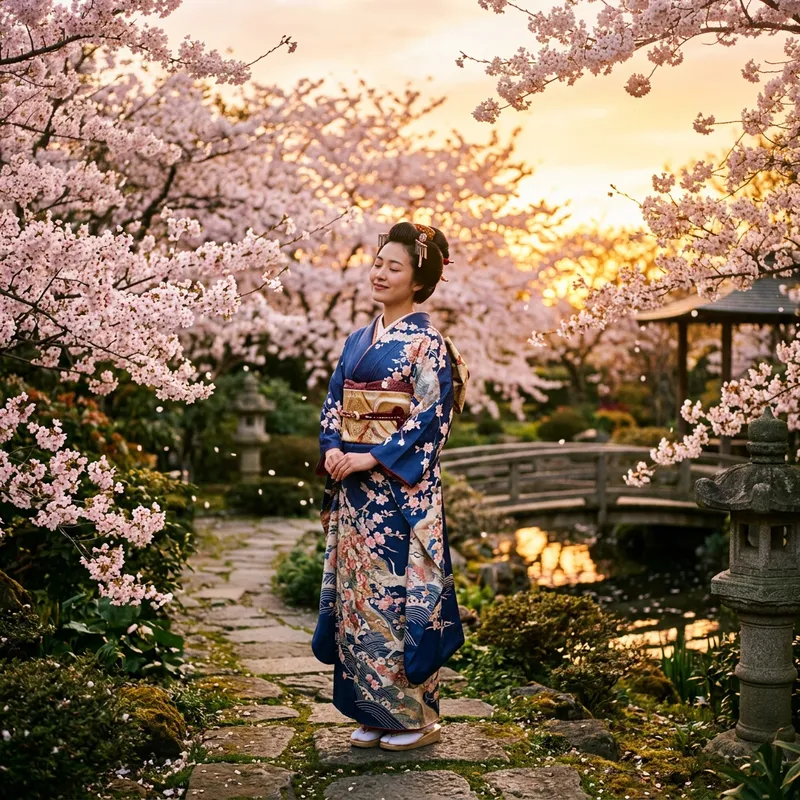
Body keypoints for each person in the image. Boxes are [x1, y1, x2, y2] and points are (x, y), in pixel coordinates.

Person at [311, 220, 468, 752]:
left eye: (393, 266)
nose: (380, 272)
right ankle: (371, 710)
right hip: (356, 494)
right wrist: (333, 447)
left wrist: (368, 458)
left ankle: (416, 717)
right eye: (378, 262)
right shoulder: (357, 340)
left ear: (419, 279)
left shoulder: (428, 344)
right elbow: (335, 402)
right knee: (359, 596)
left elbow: (429, 419)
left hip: (399, 495)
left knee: (400, 596)